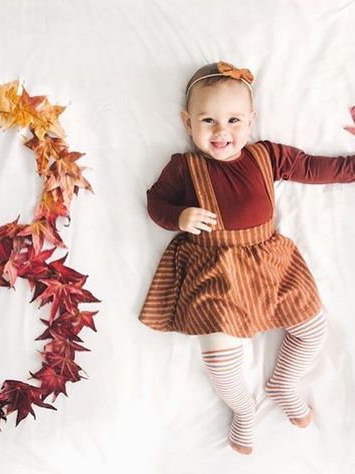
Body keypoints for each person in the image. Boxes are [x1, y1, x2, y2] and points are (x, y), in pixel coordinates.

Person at [138, 61, 355, 455]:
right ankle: (243, 407)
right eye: (208, 120)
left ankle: (284, 382)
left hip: (270, 261)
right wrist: (179, 217)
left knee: (312, 329)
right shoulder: (184, 167)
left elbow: (313, 167)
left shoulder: (266, 156)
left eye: (234, 120)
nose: (222, 132)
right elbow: (155, 203)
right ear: (188, 123)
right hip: (214, 270)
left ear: (252, 120)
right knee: (220, 360)